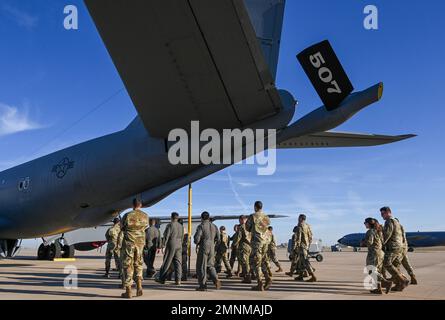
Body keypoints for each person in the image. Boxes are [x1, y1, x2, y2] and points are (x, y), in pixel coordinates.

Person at [120, 198, 149, 298]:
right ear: (140, 205)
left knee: (128, 265)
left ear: (133, 204)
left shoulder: (127, 215)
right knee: (138, 263)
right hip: (140, 243)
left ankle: (128, 291)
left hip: (129, 243)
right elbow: (145, 227)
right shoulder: (145, 216)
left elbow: (122, 227)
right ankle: (139, 286)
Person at [380, 206, 410, 292]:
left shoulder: (389, 221)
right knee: (396, 266)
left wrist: (381, 243)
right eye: (381, 214)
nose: (382, 216)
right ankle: (399, 285)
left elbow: (386, 235)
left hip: (393, 247)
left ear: (388, 212)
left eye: (383, 213)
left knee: (386, 263)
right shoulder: (397, 222)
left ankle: (403, 280)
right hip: (400, 247)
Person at [245, 201, 272, 291]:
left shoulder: (252, 216)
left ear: (255, 207)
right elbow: (267, 226)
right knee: (263, 260)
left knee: (255, 262)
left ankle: (260, 283)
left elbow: (247, 228)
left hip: (257, 242)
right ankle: (267, 278)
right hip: (265, 242)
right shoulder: (266, 217)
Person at [363, 218, 393, 294]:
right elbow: (383, 242)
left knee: (371, 270)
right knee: (378, 270)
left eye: (365, 223)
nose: (364, 224)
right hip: (380, 253)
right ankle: (378, 288)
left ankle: (386, 283)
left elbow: (369, 242)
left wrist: (363, 242)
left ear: (369, 224)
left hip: (374, 253)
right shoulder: (379, 231)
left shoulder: (370, 231)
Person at [193, 211, 221, 291]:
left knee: (201, 266)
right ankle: (216, 280)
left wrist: (196, 239)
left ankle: (203, 285)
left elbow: (196, 240)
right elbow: (218, 239)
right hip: (212, 246)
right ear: (208, 217)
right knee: (210, 266)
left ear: (201, 218)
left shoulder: (201, 226)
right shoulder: (214, 226)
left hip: (204, 247)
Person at [156, 212, 184, 285]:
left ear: (171, 217)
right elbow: (182, 237)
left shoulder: (170, 225)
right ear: (177, 218)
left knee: (167, 261)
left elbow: (166, 236)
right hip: (179, 244)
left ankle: (162, 279)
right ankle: (178, 280)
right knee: (178, 262)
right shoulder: (181, 226)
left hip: (171, 243)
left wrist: (163, 245)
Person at [293, 214, 317, 282]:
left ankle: (313, 276)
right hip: (306, 245)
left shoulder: (300, 225)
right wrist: (308, 244)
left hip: (301, 246)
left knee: (305, 261)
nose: (298, 219)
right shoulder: (307, 225)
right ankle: (300, 276)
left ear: (301, 218)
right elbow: (311, 236)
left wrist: (295, 246)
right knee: (301, 261)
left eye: (298, 218)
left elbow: (298, 238)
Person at [399, 220, 418, 285]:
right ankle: (413, 277)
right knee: (407, 264)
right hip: (404, 249)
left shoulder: (396, 231)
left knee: (394, 265)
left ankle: (402, 279)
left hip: (398, 250)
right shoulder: (402, 230)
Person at [236, 215, 252, 283]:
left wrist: (234, 244)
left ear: (241, 220)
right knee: (248, 262)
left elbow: (238, 238)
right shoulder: (250, 227)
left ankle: (247, 278)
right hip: (250, 246)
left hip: (243, 246)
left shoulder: (241, 227)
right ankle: (250, 275)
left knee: (244, 263)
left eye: (239, 220)